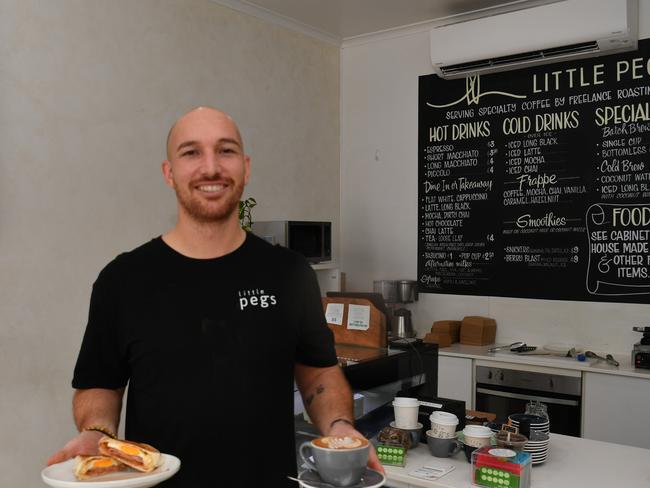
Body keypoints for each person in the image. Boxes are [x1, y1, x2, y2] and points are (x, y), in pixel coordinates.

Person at [47, 107, 382, 486]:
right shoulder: (122, 279)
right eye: (191, 152)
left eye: (226, 150)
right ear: (169, 173)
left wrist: (340, 427)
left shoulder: (290, 273)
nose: (211, 167)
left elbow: (319, 371)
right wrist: (99, 434)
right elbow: (100, 383)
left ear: (246, 167)